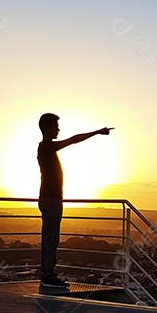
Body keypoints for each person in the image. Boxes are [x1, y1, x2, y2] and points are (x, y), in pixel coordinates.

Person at [37, 113, 112, 288]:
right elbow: (73, 140)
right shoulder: (46, 147)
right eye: (55, 126)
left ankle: (47, 274)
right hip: (51, 199)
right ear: (47, 128)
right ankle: (48, 276)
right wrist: (97, 132)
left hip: (50, 198)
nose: (58, 129)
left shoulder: (45, 148)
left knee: (50, 238)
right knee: (51, 238)